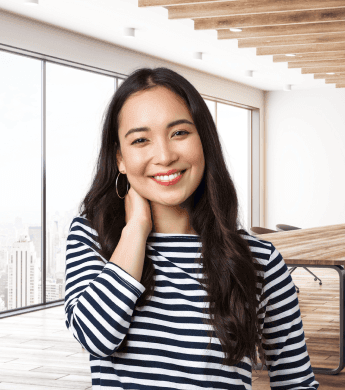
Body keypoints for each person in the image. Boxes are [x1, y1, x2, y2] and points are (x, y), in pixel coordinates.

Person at [63, 67, 319, 390]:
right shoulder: (93, 237)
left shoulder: (259, 260)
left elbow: (296, 382)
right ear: (120, 159)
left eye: (179, 133)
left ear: (203, 142)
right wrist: (136, 229)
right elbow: (94, 337)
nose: (165, 156)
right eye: (141, 140)